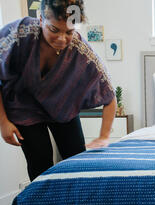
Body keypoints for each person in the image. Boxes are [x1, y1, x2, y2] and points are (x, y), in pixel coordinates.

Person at [0, 0, 116, 182]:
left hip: (63, 106)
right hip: (23, 107)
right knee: (40, 164)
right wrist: (3, 122)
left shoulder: (80, 49)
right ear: (40, 20)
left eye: (69, 32)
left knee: (76, 160)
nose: (62, 39)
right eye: (54, 30)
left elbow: (109, 94)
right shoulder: (18, 34)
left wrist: (104, 136)